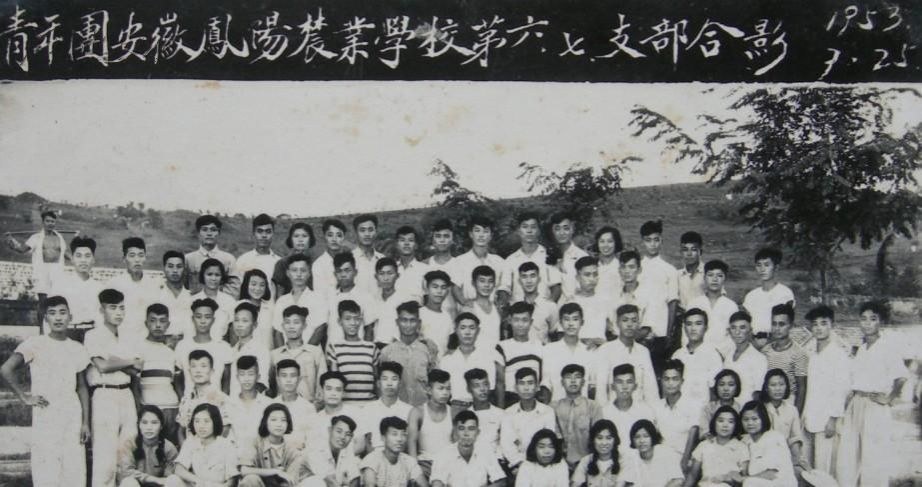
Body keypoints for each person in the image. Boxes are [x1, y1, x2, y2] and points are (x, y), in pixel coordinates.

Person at [0, 295, 91, 487]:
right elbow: (6, 369)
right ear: (45, 317)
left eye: (62, 312)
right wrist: (25, 397)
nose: (58, 317)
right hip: (46, 412)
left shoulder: (77, 348)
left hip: (72, 413)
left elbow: (82, 387)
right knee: (47, 469)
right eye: (52, 313)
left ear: (70, 317)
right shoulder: (35, 343)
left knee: (73, 469)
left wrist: (85, 423)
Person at [836, 301, 908, 487]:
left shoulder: (887, 347)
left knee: (873, 456)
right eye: (864, 319)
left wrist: (889, 398)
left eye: (873, 319)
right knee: (850, 454)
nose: (867, 323)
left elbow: (901, 377)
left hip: (875, 404)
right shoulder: (861, 349)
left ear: (880, 322)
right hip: (856, 403)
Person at [86, 288, 143, 487]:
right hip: (104, 393)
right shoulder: (93, 335)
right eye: (113, 308)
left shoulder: (128, 336)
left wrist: (114, 361)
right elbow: (102, 366)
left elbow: (136, 369)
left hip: (126, 393)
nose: (118, 313)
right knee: (105, 456)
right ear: (102, 310)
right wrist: (127, 361)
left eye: (121, 308)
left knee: (127, 448)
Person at [800, 305, 850, 478]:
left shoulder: (838, 355)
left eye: (823, 323)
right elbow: (811, 389)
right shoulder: (813, 354)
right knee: (808, 467)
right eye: (815, 324)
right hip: (810, 418)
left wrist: (833, 419)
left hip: (827, 420)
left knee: (824, 468)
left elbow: (841, 389)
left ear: (832, 325)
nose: (819, 328)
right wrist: (804, 415)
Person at [594, 304, 659, 406]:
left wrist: (653, 412)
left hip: (640, 410)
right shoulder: (605, 350)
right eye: (625, 320)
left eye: (634, 320)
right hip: (614, 410)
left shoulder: (643, 352)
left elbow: (651, 389)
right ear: (617, 323)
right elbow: (601, 390)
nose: (629, 324)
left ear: (638, 324)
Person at [379, 301, 441, 407]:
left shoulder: (428, 350)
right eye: (404, 320)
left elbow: (435, 382)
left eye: (412, 320)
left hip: (421, 408)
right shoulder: (387, 352)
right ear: (397, 322)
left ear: (419, 323)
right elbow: (381, 385)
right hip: (395, 409)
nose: (408, 325)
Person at [135, 304, 182, 441]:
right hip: (148, 408)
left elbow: (177, 384)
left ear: (168, 324)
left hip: (171, 408)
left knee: (169, 447)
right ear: (146, 323)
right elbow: (135, 384)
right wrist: (139, 409)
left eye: (162, 321)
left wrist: (181, 408)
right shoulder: (138, 348)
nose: (158, 325)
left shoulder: (171, 352)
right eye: (153, 320)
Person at [439, 312, 504, 409]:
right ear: (456, 330)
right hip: (456, 408)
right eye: (463, 328)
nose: (467, 332)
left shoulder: (487, 357)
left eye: (472, 328)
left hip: (481, 407)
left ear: (478, 331)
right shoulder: (447, 360)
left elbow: (494, 387)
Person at [500, 367, 558, 474]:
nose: (526, 388)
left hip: (542, 463)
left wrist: (535, 466)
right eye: (521, 383)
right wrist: (521, 465)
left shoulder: (548, 412)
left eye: (530, 383)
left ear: (537, 387)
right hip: (517, 466)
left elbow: (548, 442)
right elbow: (507, 445)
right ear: (515, 388)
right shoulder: (508, 413)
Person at [4, 209, 68, 305]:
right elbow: (22, 249)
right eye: (48, 221)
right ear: (43, 222)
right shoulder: (35, 237)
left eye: (53, 221)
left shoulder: (60, 237)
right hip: (42, 273)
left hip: (57, 273)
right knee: (43, 303)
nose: (50, 223)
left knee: (56, 302)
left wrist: (75, 260)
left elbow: (64, 253)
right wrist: (11, 240)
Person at [637, 220, 679, 362]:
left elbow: (672, 303)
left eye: (656, 240)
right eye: (648, 240)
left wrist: (668, 333)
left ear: (661, 241)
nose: (653, 244)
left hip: (660, 331)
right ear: (642, 242)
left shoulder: (670, 270)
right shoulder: (637, 268)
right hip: (639, 331)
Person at [430, 410, 507, 487]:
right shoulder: (444, 453)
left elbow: (501, 480)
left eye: (471, 429)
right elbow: (437, 481)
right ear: (455, 432)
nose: (466, 433)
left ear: (478, 432)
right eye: (461, 428)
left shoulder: (485, 451)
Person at [168, 403, 239, 487]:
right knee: (172, 479)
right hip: (198, 484)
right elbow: (179, 469)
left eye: (206, 421)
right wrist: (198, 481)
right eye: (197, 421)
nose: (201, 426)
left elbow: (232, 482)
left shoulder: (226, 445)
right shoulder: (191, 441)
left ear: (215, 422)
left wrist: (210, 485)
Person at [106, 237, 161, 342]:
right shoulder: (114, 284)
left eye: (141, 255)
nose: (137, 260)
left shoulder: (153, 285)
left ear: (145, 257)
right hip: (122, 339)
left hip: (148, 340)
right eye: (132, 255)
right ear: (124, 259)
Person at [270, 305, 327, 405]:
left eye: (296, 322)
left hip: (309, 407)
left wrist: (315, 407)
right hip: (282, 408)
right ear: (282, 326)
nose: (291, 326)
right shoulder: (275, 355)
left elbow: (322, 385)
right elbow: (271, 387)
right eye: (287, 322)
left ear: (304, 326)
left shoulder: (315, 353)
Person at [238, 403, 305, 487]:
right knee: (250, 479)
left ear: (288, 423)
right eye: (274, 420)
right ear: (265, 422)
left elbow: (290, 481)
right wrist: (275, 471)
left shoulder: (293, 451)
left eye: (283, 420)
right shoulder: (254, 442)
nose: (279, 424)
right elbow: (244, 470)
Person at [326, 300, 380, 404]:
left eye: (356, 319)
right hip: (345, 406)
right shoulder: (334, 348)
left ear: (361, 321)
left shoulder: (371, 348)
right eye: (347, 319)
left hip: (369, 405)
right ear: (339, 321)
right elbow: (335, 381)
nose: (353, 323)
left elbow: (376, 380)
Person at [669, 308, 724, 410]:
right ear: (684, 328)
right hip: (679, 410)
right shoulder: (677, 355)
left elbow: (715, 391)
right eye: (689, 324)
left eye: (698, 324)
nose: (693, 328)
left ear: (706, 327)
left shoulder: (713, 355)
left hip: (702, 412)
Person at [174, 298, 232, 394]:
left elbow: (226, 382)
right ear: (192, 319)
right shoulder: (182, 346)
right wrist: (183, 399)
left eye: (207, 317)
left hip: (216, 401)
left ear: (213, 320)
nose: (203, 321)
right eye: (198, 317)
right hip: (190, 402)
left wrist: (222, 401)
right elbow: (177, 379)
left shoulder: (223, 347)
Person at [502, 211, 562, 302]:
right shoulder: (510, 260)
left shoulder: (548, 256)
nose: (529, 231)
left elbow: (556, 287)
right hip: (518, 309)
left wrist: (549, 306)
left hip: (543, 307)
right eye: (525, 227)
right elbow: (504, 288)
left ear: (538, 231)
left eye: (533, 227)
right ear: (518, 231)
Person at [541, 303, 596, 402]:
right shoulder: (549, 350)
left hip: (583, 408)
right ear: (560, 323)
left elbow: (592, 386)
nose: (571, 324)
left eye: (575, 319)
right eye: (566, 319)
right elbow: (546, 384)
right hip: (557, 406)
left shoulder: (589, 351)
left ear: (582, 322)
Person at [271, 254, 329, 346]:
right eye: (294, 270)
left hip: (311, 351)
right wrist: (283, 353)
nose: (299, 274)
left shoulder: (318, 298)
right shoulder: (281, 301)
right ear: (288, 273)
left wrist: (305, 351)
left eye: (303, 270)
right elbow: (278, 331)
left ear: (309, 273)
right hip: (286, 353)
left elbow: (320, 328)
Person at [175, 350, 232, 442]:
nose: (198, 371)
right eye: (194, 366)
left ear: (212, 371)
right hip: (190, 448)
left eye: (203, 366)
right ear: (189, 371)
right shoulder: (186, 399)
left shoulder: (221, 398)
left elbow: (225, 430)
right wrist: (185, 448)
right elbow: (181, 430)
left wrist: (210, 448)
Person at [652, 359, 699, 472]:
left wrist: (684, 461)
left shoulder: (692, 405)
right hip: (661, 458)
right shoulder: (657, 406)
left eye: (675, 379)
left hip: (683, 458)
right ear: (661, 381)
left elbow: (693, 433)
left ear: (682, 381)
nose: (670, 383)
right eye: (666, 379)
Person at [683, 406, 748, 487]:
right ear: (714, 423)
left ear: (736, 425)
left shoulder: (741, 447)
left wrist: (727, 479)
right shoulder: (704, 445)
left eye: (730, 422)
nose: (725, 425)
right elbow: (692, 476)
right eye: (721, 421)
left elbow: (743, 480)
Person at [759, 369, 807, 478]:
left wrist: (796, 460)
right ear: (766, 388)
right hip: (764, 455)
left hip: (786, 455)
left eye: (781, 384)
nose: (778, 389)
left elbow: (795, 438)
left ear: (786, 386)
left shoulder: (792, 410)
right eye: (773, 385)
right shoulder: (760, 409)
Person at [553, 364, 603, 467]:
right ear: (562, 382)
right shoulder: (554, 407)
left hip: (587, 463)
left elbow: (598, 437)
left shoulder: (593, 406)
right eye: (568, 377)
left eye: (577, 377)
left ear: (583, 382)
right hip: (559, 463)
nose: (573, 381)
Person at [761, 304, 809, 412]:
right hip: (768, 403)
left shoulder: (799, 353)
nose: (777, 328)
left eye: (782, 324)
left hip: (788, 403)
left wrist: (796, 415)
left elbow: (801, 388)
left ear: (790, 325)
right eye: (774, 324)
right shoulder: (765, 351)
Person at [599, 364, 656, 456]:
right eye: (619, 382)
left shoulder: (646, 411)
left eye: (629, 382)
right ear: (612, 386)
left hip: (640, 461)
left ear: (635, 386)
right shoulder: (603, 413)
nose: (624, 386)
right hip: (613, 461)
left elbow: (652, 443)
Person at [450, 215, 506, 307]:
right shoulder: (460, 261)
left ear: (491, 236)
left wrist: (499, 306)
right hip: (470, 310)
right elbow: (455, 288)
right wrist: (466, 304)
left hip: (492, 310)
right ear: (471, 234)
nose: (481, 235)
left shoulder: (499, 261)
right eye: (477, 230)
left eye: (486, 231)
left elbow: (504, 288)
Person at [741, 248, 795, 344]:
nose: (762, 269)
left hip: (776, 342)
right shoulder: (751, 296)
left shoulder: (785, 293)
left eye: (767, 265)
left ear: (776, 267)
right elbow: (746, 324)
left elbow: (787, 322)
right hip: (754, 343)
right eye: (759, 265)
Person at [117, 405, 179, 487]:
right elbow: (126, 472)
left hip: (159, 486)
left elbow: (168, 477)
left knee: (174, 479)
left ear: (161, 426)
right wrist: (150, 478)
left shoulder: (169, 448)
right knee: (128, 482)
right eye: (144, 423)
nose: (149, 427)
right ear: (139, 425)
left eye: (154, 423)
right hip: (137, 485)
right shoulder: (129, 444)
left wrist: (157, 481)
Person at [49, 236, 101, 334]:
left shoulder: (99, 287)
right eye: (78, 256)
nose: (83, 260)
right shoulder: (60, 285)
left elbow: (101, 318)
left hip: (92, 333)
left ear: (93, 259)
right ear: (72, 259)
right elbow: (50, 315)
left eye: (87, 256)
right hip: (68, 333)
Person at [739, 400, 798, 487]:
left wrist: (744, 479)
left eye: (754, 419)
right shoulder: (745, 441)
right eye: (746, 419)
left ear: (763, 419)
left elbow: (771, 474)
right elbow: (743, 470)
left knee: (749, 483)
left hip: (780, 484)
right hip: (757, 483)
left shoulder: (774, 437)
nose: (750, 423)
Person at [324, 252, 378, 344]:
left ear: (355, 272)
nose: (343, 274)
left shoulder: (366, 297)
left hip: (357, 349)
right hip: (333, 349)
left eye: (347, 270)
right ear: (335, 274)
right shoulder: (330, 297)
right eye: (339, 271)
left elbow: (369, 329)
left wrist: (365, 350)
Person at [408, 369, 454, 475]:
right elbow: (411, 443)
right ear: (429, 390)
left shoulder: (453, 413)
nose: (445, 393)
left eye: (448, 388)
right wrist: (415, 470)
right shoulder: (417, 412)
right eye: (441, 388)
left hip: (448, 464)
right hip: (425, 464)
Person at [497, 301, 544, 405]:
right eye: (516, 320)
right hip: (511, 399)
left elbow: (543, 378)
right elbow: (500, 382)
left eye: (525, 320)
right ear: (510, 320)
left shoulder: (539, 346)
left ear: (531, 322)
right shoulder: (502, 347)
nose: (520, 324)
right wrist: (501, 409)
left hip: (534, 400)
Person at [360, 417, 428, 487]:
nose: (399, 439)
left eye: (403, 434)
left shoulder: (409, 461)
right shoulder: (372, 460)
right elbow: (370, 484)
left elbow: (424, 484)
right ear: (383, 437)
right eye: (394, 434)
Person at [307, 371, 366, 454]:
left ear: (343, 393)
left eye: (338, 390)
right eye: (329, 389)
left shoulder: (355, 413)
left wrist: (342, 458)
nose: (333, 393)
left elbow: (360, 445)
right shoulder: (315, 419)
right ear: (322, 391)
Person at [685, 260, 738, 348]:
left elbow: (733, 336)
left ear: (725, 278)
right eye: (710, 275)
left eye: (719, 275)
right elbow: (686, 334)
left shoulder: (731, 306)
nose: (715, 279)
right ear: (704, 278)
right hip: (697, 352)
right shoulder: (694, 303)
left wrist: (720, 353)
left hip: (722, 353)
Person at [362, 362, 414, 451]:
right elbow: (367, 442)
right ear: (378, 383)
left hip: (399, 455)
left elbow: (409, 443)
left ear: (400, 383)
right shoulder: (368, 409)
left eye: (394, 379)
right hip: (374, 455)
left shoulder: (409, 411)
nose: (389, 383)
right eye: (385, 379)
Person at [300, 415, 361, 487]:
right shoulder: (316, 448)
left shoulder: (347, 450)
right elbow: (330, 482)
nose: (342, 437)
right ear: (330, 430)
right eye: (339, 431)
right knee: (319, 483)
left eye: (348, 434)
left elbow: (355, 478)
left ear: (352, 437)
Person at [561, 256, 610, 345]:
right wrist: (586, 341)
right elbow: (561, 334)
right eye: (587, 275)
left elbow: (612, 331)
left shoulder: (605, 301)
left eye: (595, 274)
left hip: (601, 349)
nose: (592, 279)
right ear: (577, 277)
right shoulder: (569, 302)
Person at [371, 257, 419, 345]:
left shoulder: (405, 299)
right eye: (381, 274)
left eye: (390, 273)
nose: (386, 278)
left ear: (397, 275)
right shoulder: (372, 299)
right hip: (375, 346)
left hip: (397, 346)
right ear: (376, 276)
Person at [723, 310, 768, 403]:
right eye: (733, 328)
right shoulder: (728, 355)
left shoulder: (759, 359)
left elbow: (758, 393)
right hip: (729, 408)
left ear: (750, 331)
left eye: (742, 327)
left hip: (747, 409)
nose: (737, 332)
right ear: (729, 331)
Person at [184, 214, 236, 295]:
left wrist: (217, 297)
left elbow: (234, 287)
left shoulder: (229, 259)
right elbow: (182, 286)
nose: (209, 233)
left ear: (219, 233)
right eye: (204, 229)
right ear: (198, 233)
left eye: (213, 230)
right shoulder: (188, 259)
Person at [227, 355, 273, 445]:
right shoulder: (228, 403)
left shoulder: (268, 404)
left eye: (251, 374)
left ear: (258, 377)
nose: (246, 379)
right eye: (242, 374)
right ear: (237, 377)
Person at [622, 420, 684, 487]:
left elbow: (678, 480)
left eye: (646, 436)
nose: (642, 441)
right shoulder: (632, 458)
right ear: (632, 440)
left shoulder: (666, 452)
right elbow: (629, 483)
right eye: (637, 437)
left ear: (652, 437)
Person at [233, 213, 281, 297]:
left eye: (268, 231)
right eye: (260, 231)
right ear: (253, 233)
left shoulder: (279, 262)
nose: (264, 235)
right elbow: (237, 291)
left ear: (273, 234)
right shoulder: (243, 260)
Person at [229, 302, 270, 397]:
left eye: (245, 321)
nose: (239, 325)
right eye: (236, 320)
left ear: (255, 325)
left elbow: (261, 385)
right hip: (232, 401)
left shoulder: (260, 350)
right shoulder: (232, 350)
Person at [190, 258, 237, 341]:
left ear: (222, 277)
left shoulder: (229, 301)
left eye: (217, 275)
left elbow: (233, 332)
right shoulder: (192, 300)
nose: (213, 278)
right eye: (209, 274)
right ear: (203, 276)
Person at [570, 420, 627, 487]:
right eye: (599, 438)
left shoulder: (623, 460)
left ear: (615, 440)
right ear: (593, 440)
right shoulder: (586, 461)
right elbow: (575, 485)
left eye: (609, 438)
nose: (604, 443)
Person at [271, 359, 318, 438]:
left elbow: (313, 437)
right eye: (284, 376)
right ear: (278, 379)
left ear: (299, 379)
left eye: (293, 375)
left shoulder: (308, 408)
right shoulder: (270, 405)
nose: (288, 380)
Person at [464, 368, 505, 458]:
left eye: (485, 384)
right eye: (476, 386)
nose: (482, 389)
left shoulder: (501, 414)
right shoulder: (465, 417)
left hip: (496, 461)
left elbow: (506, 444)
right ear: (469, 389)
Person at [515, 262, 559, 343]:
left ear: (539, 279)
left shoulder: (550, 306)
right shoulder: (515, 307)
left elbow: (555, 336)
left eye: (533, 276)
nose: (529, 281)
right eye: (524, 276)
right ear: (519, 281)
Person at [462, 265, 502, 351]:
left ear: (494, 284)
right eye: (482, 281)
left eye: (490, 281)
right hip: (476, 356)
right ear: (473, 283)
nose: (486, 285)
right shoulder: (468, 309)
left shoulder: (497, 308)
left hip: (495, 356)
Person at [548, 212, 588, 298]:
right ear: (553, 231)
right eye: (557, 229)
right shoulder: (549, 256)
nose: (562, 233)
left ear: (572, 229)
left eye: (566, 228)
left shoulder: (582, 257)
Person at [156, 251, 193, 342]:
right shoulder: (156, 293)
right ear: (164, 268)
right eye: (170, 266)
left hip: (187, 342)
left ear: (184, 269)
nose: (175, 270)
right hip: (161, 342)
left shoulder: (191, 295)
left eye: (179, 266)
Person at [271, 221, 315, 297]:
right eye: (296, 236)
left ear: (310, 239)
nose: (300, 240)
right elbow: (278, 293)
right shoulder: (282, 264)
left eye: (304, 236)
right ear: (291, 239)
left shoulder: (316, 263)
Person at [698, 369, 743, 441]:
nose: (726, 389)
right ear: (716, 387)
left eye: (731, 385)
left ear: (737, 387)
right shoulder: (709, 408)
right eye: (721, 384)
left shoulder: (741, 409)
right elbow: (704, 433)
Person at [419, 270, 454, 356]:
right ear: (426, 289)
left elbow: (449, 347)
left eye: (443, 287)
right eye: (435, 287)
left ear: (447, 291)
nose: (439, 291)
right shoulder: (418, 314)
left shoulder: (447, 317)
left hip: (442, 362)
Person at [238, 269, 275, 349]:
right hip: (245, 353)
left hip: (268, 352)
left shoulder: (271, 308)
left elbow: (275, 334)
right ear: (246, 285)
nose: (257, 288)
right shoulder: (238, 306)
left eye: (262, 285)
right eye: (253, 284)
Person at [392, 225, 429, 303]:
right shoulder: (391, 269)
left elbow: (428, 300)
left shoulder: (425, 270)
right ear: (396, 245)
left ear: (416, 245)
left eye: (411, 240)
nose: (406, 243)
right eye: (402, 240)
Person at [312, 219, 349, 296]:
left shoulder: (351, 261)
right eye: (330, 235)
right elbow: (319, 296)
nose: (334, 239)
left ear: (344, 238)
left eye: (339, 235)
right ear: (324, 237)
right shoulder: (318, 265)